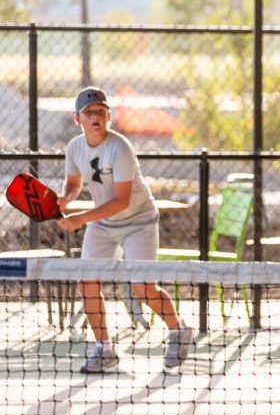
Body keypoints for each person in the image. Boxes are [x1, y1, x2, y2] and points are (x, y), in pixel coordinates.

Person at [56, 86, 194, 374]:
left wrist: (81, 218)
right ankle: (105, 350)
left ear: (108, 116)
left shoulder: (120, 148)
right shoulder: (74, 148)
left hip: (139, 222)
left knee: (142, 289)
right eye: (89, 113)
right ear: (77, 119)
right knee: (87, 283)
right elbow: (73, 182)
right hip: (104, 225)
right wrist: (67, 198)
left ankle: (178, 330)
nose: (95, 117)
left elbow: (121, 201)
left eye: (100, 112)